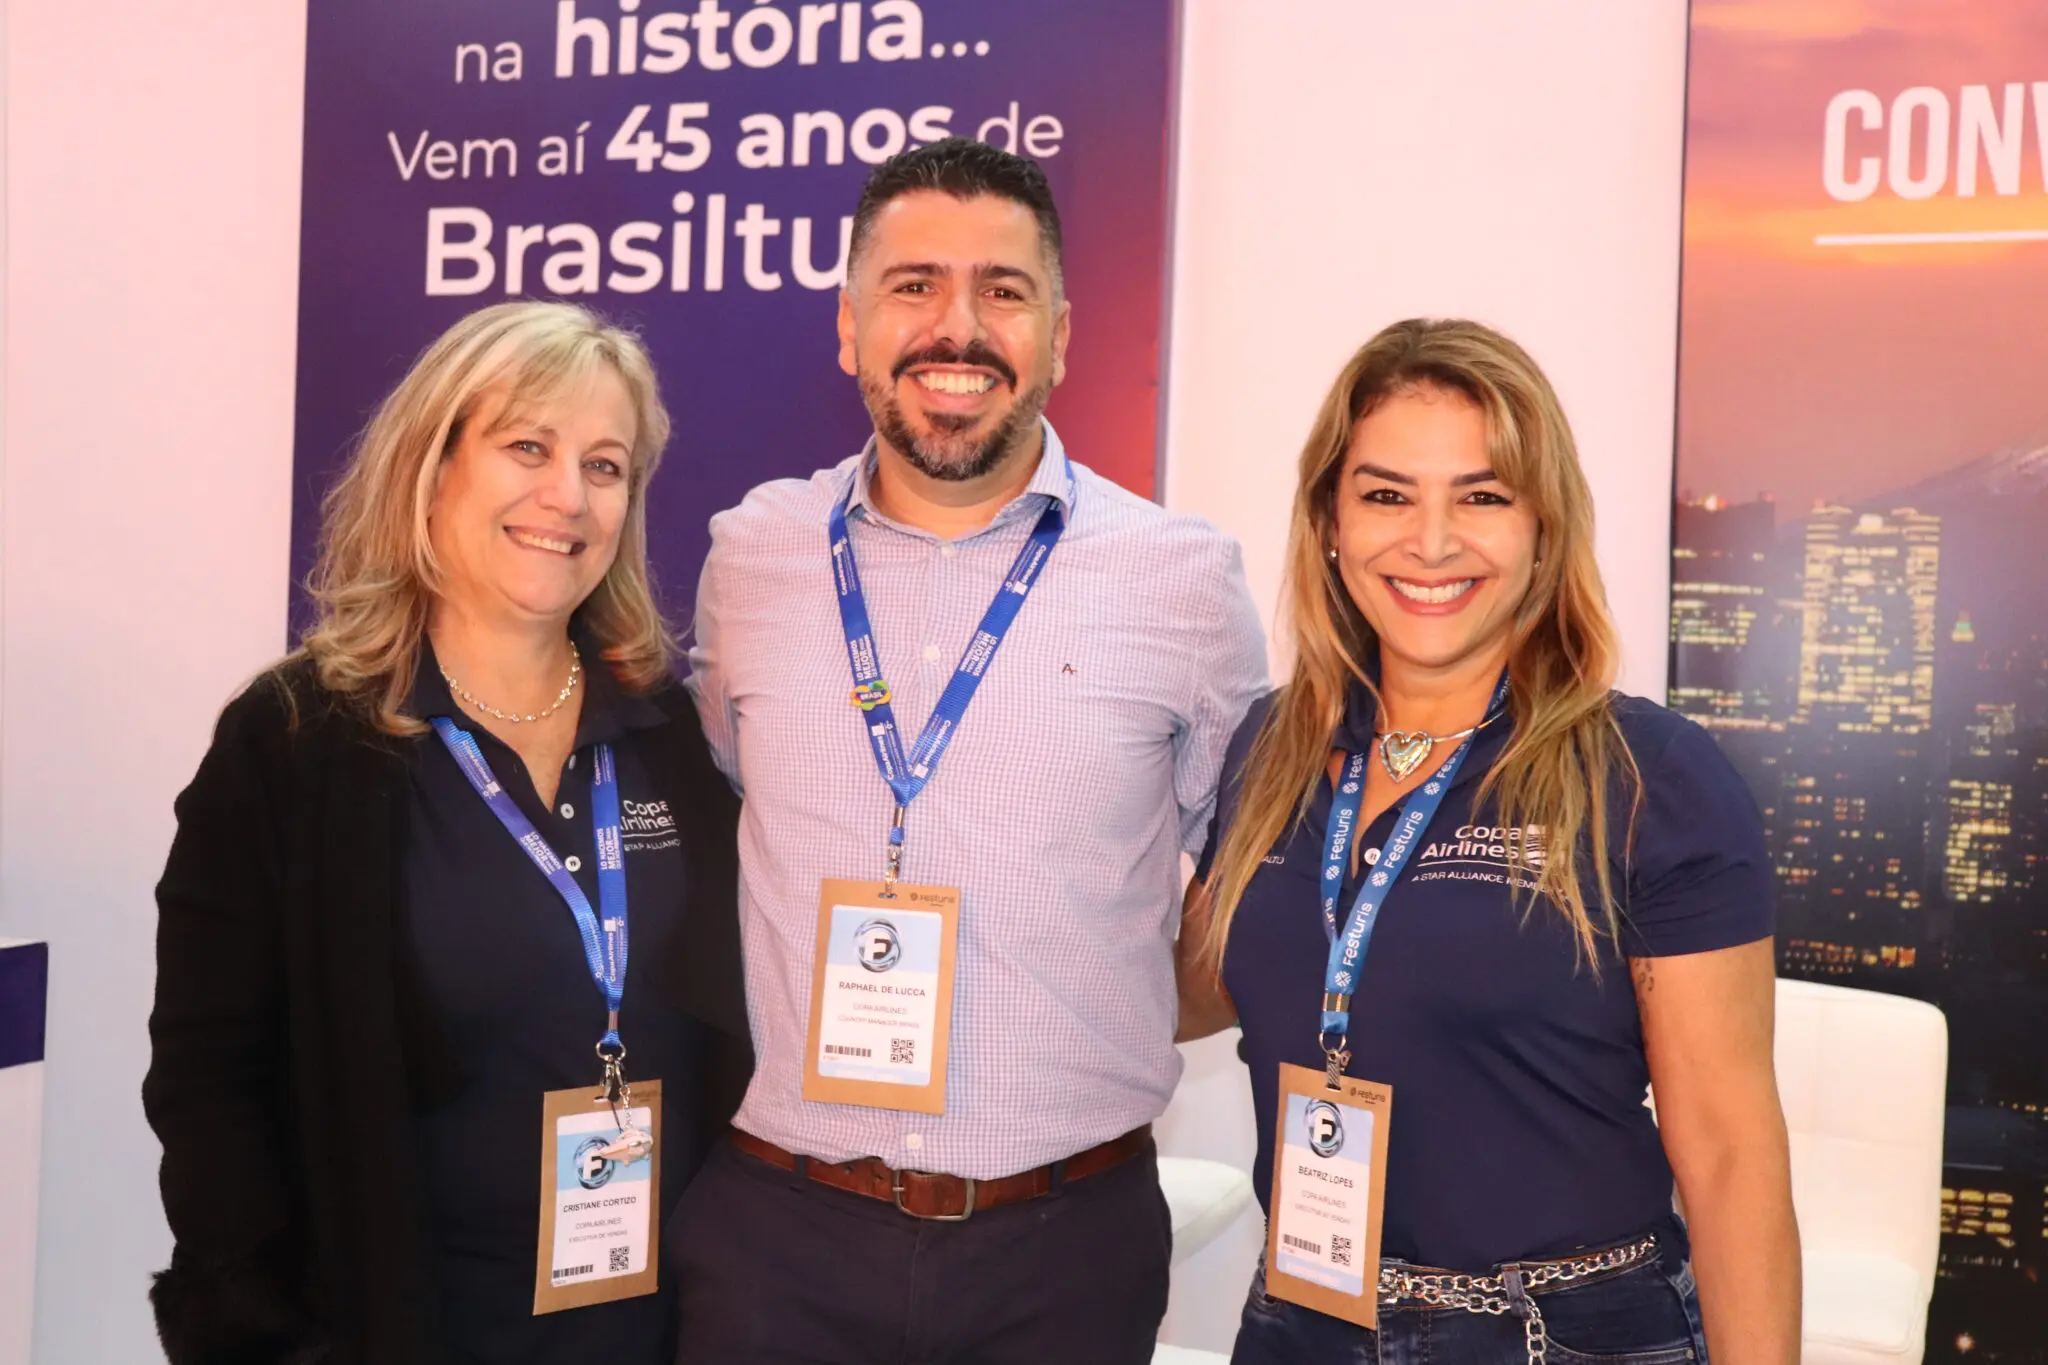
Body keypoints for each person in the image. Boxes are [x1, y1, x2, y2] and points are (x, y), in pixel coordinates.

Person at [680, 137, 1268, 1363]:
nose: (958, 329)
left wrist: (1102, 999)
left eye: (1002, 291)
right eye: (913, 286)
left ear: (1059, 333)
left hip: (1060, 1249)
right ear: (848, 327)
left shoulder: (1181, 578)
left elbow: (1254, 877)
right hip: (779, 1237)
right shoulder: (753, 558)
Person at [1179, 319, 1800, 1364]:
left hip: (1559, 1334)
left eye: (1481, 496)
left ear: (1542, 528)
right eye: (1384, 495)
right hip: (1300, 1319)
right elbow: (1197, 986)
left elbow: (1730, 1155)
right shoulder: (1267, 750)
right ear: (1328, 520)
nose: (1429, 542)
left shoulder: (1649, 777)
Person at [144, 301, 750, 1365]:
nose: (566, 495)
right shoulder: (295, 742)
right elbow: (208, 1076)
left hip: (652, 1328)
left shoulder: (668, 734)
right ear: (433, 468)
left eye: (605, 466)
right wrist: (265, 1330)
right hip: (401, 1323)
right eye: (526, 446)